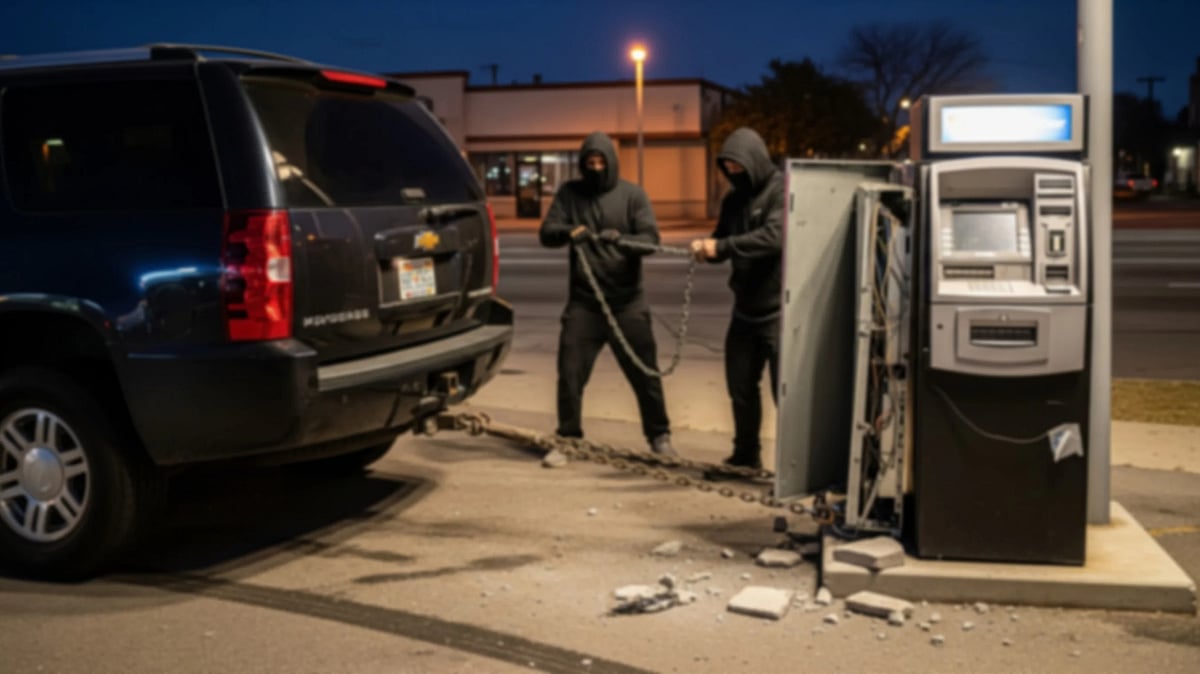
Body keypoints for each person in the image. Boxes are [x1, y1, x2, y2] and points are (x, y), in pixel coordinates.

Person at [539, 131, 677, 462]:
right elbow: (547, 232)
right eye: (590, 163)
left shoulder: (632, 195)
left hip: (628, 304)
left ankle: (659, 436)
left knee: (646, 374)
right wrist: (569, 231)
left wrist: (625, 240)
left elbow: (651, 239)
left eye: (602, 162)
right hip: (584, 304)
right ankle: (568, 437)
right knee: (569, 374)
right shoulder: (570, 194)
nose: (596, 167)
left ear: (612, 162)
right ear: (582, 164)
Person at [690, 127, 785, 474]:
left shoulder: (781, 191)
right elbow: (722, 239)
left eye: (737, 166)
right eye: (727, 167)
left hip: (779, 313)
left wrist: (724, 247)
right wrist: (707, 249)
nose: (732, 173)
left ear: (754, 161)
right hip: (745, 310)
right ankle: (746, 456)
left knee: (784, 394)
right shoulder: (733, 199)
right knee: (740, 388)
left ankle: (792, 467)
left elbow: (775, 237)